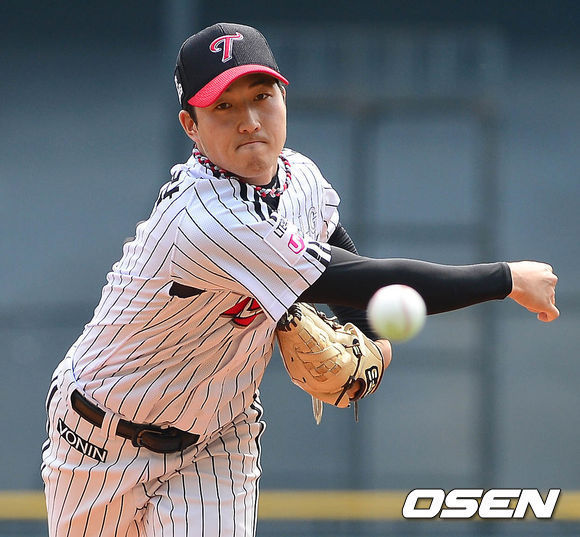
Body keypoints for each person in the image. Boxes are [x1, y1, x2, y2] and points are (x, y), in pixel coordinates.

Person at [41, 22, 559, 537]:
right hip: (99, 439)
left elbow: (338, 248)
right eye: (224, 107)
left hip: (219, 438)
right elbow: (362, 281)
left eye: (261, 96)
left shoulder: (300, 178)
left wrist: (370, 338)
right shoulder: (205, 220)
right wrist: (506, 279)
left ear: (283, 99)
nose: (249, 121)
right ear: (190, 126)